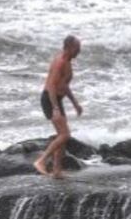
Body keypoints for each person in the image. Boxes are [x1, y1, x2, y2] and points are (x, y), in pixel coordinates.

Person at [34, 35, 82, 179]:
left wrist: (75, 103)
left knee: (62, 136)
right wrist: (55, 108)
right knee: (65, 135)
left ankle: (57, 170)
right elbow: (51, 86)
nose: (79, 51)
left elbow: (64, 85)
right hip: (50, 99)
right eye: (78, 48)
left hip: (56, 99)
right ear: (70, 48)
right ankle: (41, 161)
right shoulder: (60, 62)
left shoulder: (67, 61)